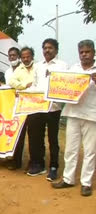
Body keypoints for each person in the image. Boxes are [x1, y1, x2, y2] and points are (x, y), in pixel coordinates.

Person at [52, 39, 96, 197]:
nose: (84, 55)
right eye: (82, 52)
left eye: (87, 52)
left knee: (90, 151)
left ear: (93, 53)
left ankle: (86, 183)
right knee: (71, 149)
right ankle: (68, 179)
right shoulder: (74, 69)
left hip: (92, 115)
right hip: (73, 113)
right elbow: (63, 85)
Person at [28, 39, 68, 179]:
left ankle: (53, 166)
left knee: (53, 139)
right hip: (38, 107)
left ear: (56, 50)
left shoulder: (63, 66)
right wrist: (24, 92)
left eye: (50, 48)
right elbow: (35, 85)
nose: (47, 50)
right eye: (45, 48)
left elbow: (66, 86)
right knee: (36, 137)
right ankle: (38, 164)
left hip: (54, 108)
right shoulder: (38, 66)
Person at [8, 47, 38, 171]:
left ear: (32, 56)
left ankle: (33, 162)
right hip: (21, 105)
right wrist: (24, 86)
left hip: (35, 106)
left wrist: (27, 88)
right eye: (23, 57)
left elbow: (37, 83)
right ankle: (16, 162)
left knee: (34, 135)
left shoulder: (38, 68)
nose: (26, 59)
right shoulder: (19, 70)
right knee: (19, 134)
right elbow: (11, 81)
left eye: (28, 56)